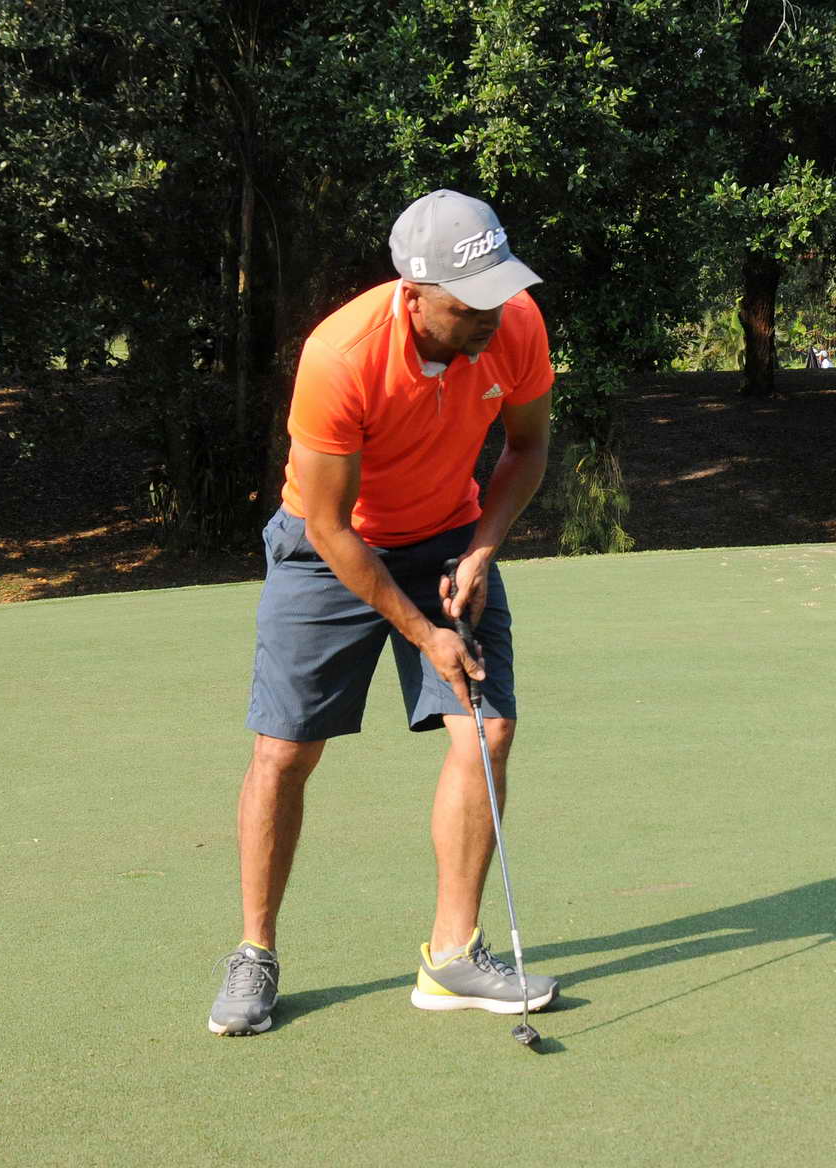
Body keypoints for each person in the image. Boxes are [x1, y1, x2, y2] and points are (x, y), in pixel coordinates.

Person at [208, 190, 558, 1035]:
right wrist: (424, 633)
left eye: (499, 290)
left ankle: (452, 957)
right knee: (283, 751)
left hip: (447, 536)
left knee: (487, 729)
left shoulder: (514, 325)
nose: (490, 314)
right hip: (327, 549)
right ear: (414, 291)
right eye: (468, 302)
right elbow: (330, 526)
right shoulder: (342, 356)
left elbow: (528, 447)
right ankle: (255, 952)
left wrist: (481, 549)